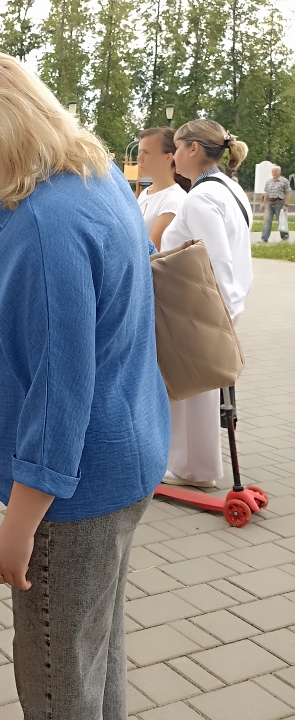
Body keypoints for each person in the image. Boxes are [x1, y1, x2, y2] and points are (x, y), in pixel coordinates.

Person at [0, 52, 170, 719]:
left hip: (70, 494)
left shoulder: (47, 224)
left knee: (58, 680)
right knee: (93, 657)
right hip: (121, 458)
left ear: (1, 134)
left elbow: (61, 395)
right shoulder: (91, 176)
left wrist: (19, 525)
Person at [161, 119, 252, 487]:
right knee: (197, 390)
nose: (174, 156)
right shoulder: (230, 189)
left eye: (177, 147)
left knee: (192, 391)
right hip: (216, 303)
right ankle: (192, 465)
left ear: (193, 149)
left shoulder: (201, 197)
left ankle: (195, 469)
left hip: (202, 305)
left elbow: (216, 260)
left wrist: (220, 314)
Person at [136, 127, 189, 250]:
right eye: (140, 152)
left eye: (146, 152)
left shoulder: (174, 199)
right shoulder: (145, 193)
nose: (139, 159)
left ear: (168, 157)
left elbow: (152, 250)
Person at [260, 164, 290, 242]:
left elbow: (287, 193)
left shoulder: (284, 181)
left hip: (279, 203)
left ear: (279, 172)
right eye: (273, 171)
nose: (274, 173)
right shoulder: (269, 181)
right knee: (267, 221)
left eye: (276, 171)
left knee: (281, 221)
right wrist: (263, 203)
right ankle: (264, 239)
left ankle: (285, 238)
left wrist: (286, 205)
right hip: (269, 203)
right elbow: (266, 193)